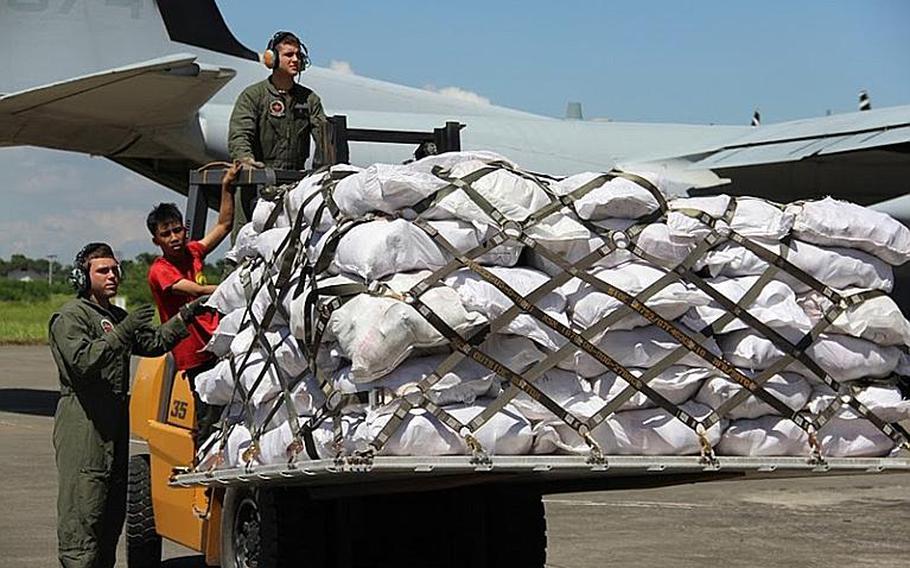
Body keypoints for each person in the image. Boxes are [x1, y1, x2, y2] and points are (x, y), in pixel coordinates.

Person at [49, 242, 205, 568]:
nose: (112, 276)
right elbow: (83, 361)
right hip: (84, 423)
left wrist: (187, 315)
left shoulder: (115, 316)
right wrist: (123, 332)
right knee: (84, 510)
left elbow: (154, 343)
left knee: (110, 513)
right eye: (102, 270)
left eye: (115, 270)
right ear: (82, 277)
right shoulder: (70, 317)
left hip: (115, 422)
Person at [146, 163, 240, 450]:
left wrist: (226, 188)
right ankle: (203, 467)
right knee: (208, 415)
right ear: (156, 240)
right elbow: (197, 291)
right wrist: (236, 288)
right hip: (194, 355)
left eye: (177, 230)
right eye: (167, 234)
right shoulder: (160, 270)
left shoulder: (193, 252)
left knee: (232, 410)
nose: (174, 238)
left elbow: (224, 225)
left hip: (215, 342)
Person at [228, 30, 328, 171]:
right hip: (258, 179)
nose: (295, 60)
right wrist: (245, 160)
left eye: (298, 55)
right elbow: (240, 134)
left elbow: (324, 138)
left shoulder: (310, 99)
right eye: (288, 55)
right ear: (272, 59)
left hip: (294, 182)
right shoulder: (253, 95)